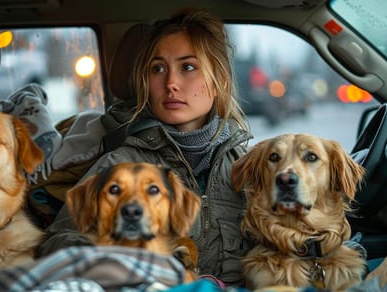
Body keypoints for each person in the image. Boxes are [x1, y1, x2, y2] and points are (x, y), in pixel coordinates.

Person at [38, 7, 253, 287]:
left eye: (188, 67)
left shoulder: (246, 167)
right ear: (146, 83)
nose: (171, 83)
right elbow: (55, 245)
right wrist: (124, 261)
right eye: (158, 69)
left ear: (218, 83)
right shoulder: (121, 164)